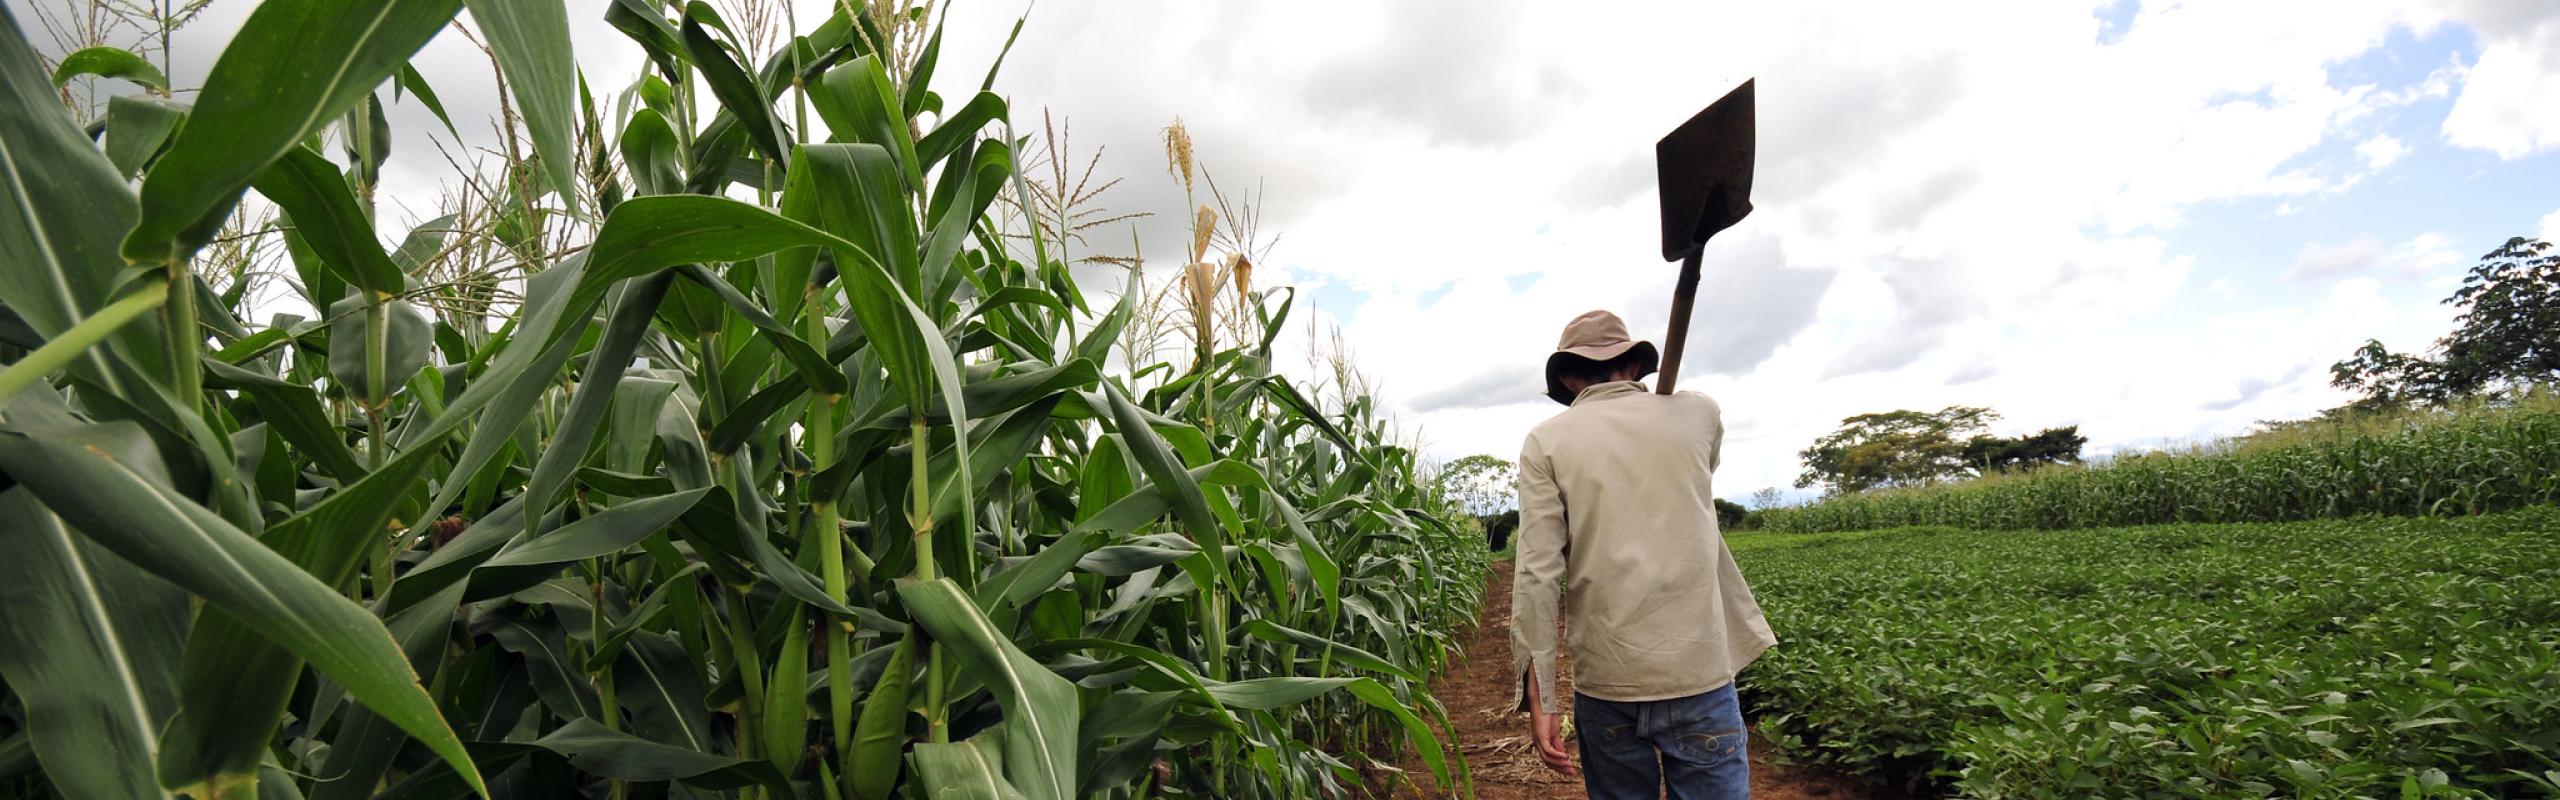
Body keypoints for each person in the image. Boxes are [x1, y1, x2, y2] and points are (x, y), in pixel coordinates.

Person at [1511, 309, 1777, 800]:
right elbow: (1707, 462)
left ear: (1568, 377)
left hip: (1607, 684)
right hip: (1698, 674)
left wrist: (1542, 695)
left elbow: (1537, 574)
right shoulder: (1699, 412)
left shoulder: (1545, 442)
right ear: (1634, 366)